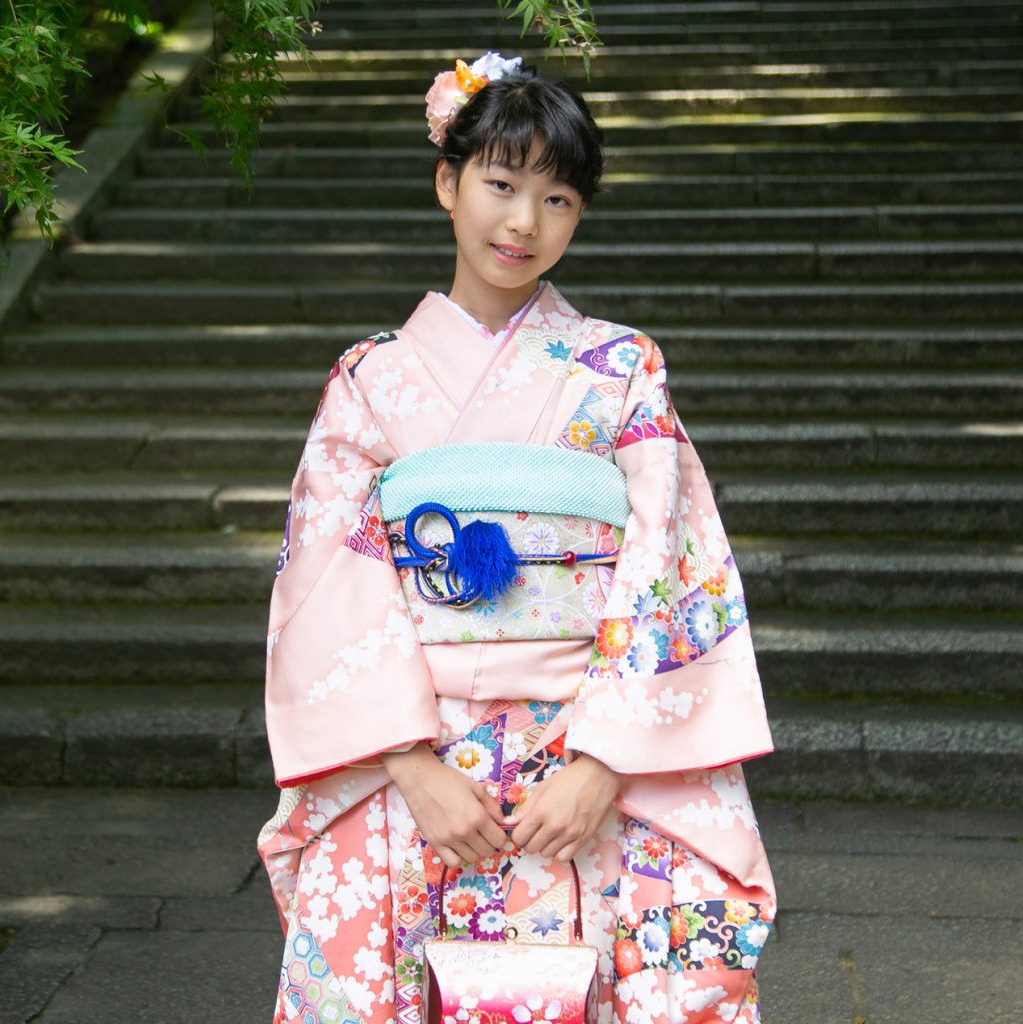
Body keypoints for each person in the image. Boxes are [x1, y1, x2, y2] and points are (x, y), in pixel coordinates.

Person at [257, 51, 777, 1024]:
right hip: (407, 761)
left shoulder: (621, 368)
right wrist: (410, 765)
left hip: (584, 758)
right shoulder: (370, 380)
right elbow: (324, 576)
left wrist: (604, 760)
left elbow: (672, 554)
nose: (523, 222)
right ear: (448, 181)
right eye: (500, 184)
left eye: (558, 200)